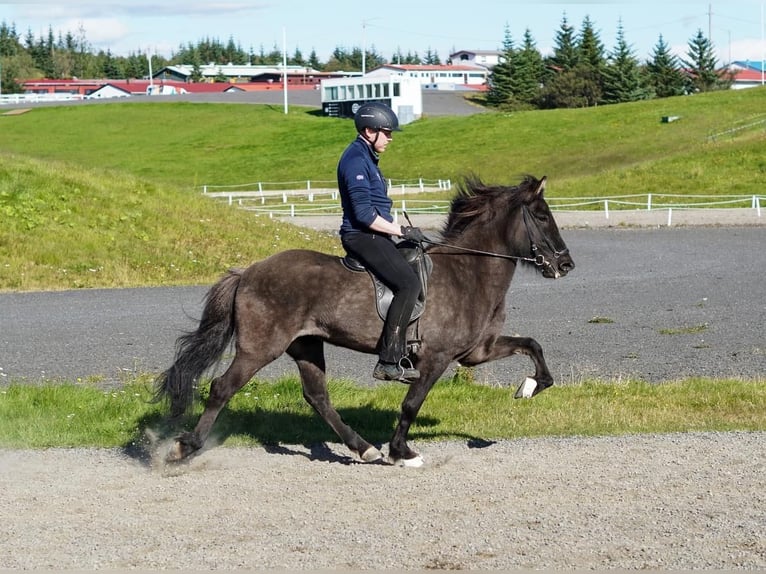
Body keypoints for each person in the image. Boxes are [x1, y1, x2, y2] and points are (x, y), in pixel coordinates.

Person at [337, 101, 426, 383]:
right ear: (368, 130)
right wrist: (400, 230)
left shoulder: (367, 158)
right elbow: (364, 215)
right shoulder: (355, 161)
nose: (390, 137)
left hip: (376, 234)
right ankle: (388, 361)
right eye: (386, 132)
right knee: (408, 284)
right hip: (362, 236)